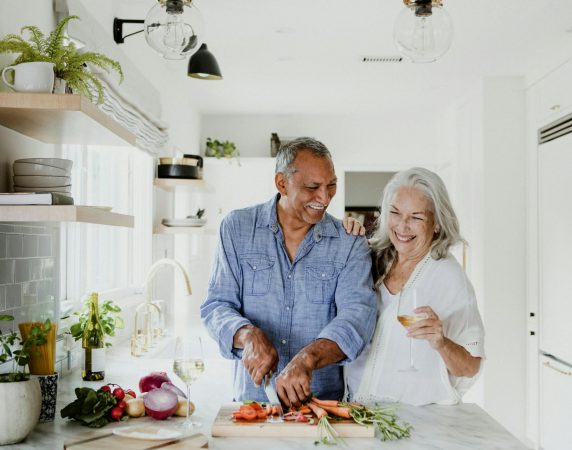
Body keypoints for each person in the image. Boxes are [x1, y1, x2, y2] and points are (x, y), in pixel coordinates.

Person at [200, 137, 377, 406]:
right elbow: (216, 305)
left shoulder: (349, 242)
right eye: (312, 187)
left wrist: (308, 358)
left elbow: (357, 317)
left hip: (322, 407)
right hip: (252, 404)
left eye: (331, 186)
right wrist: (247, 335)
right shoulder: (237, 228)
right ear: (281, 183)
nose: (325, 197)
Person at [345, 167, 485, 406]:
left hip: (415, 420)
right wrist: (343, 235)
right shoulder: (371, 257)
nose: (402, 226)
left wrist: (442, 342)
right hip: (357, 409)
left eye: (416, 217)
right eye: (395, 213)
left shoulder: (449, 277)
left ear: (437, 223)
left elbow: (470, 366)